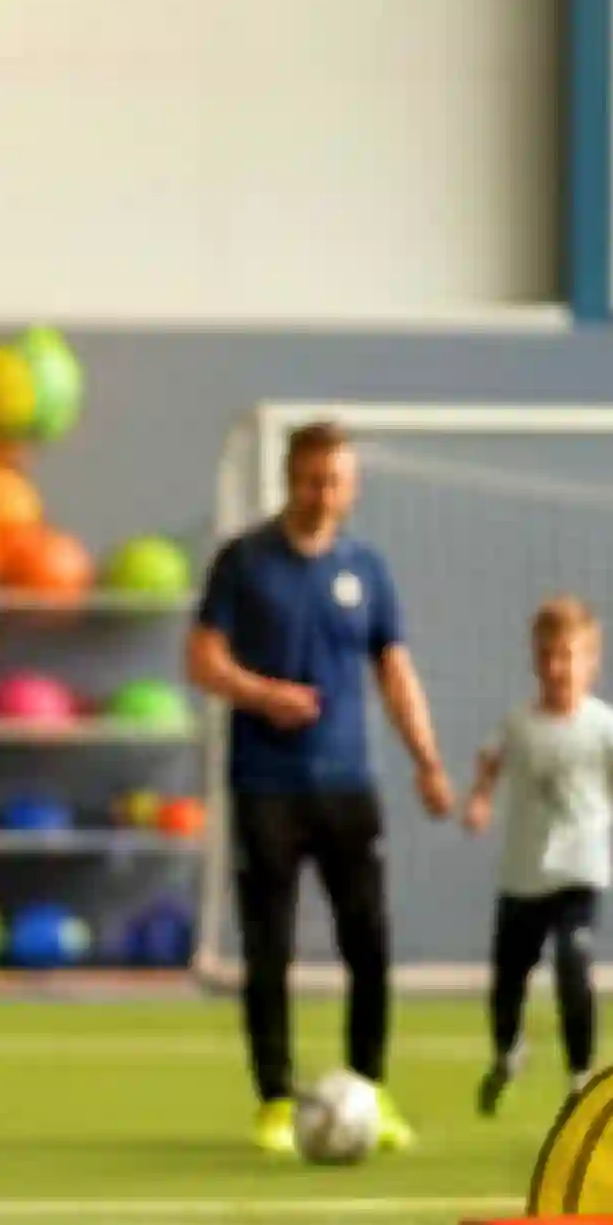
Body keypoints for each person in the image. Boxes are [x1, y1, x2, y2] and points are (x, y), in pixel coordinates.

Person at [187, 420, 452, 1157]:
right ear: (288, 477)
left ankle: (372, 1087)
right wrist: (263, 693)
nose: (321, 493)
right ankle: (274, 1098)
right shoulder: (244, 562)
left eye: (334, 480)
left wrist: (427, 758)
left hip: (347, 785)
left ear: (351, 486)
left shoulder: (367, 569)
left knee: (368, 942)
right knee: (268, 948)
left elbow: (393, 671)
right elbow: (202, 659)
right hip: (267, 785)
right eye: (309, 479)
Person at [460, 596, 613, 1114]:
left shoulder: (610, 729)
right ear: (535, 660)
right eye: (548, 657)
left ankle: (581, 1076)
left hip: (580, 874)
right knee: (507, 981)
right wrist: (478, 799)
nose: (557, 669)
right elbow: (489, 760)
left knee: (574, 961)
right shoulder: (518, 724)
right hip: (523, 878)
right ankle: (507, 1051)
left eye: (569, 656)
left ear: (593, 662)